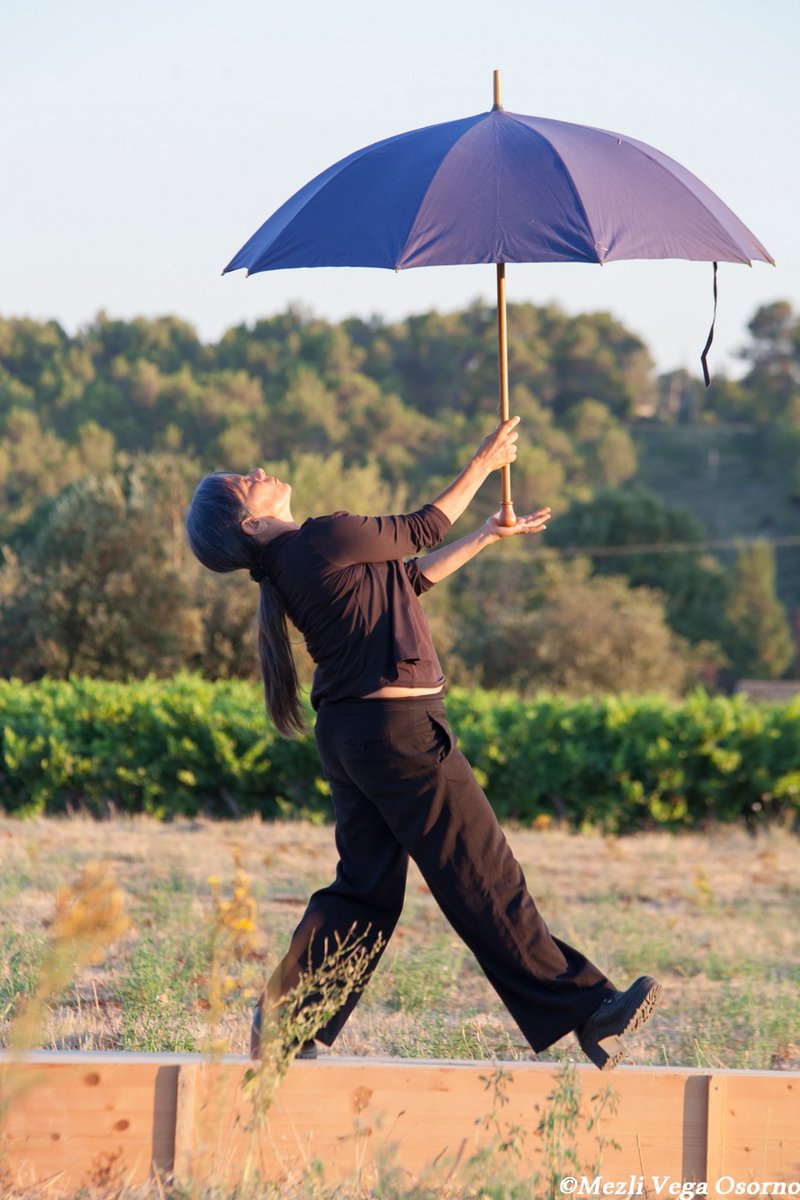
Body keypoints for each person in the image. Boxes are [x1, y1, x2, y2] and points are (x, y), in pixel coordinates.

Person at [184, 417, 662, 1071]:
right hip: (401, 736)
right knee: (483, 877)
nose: (260, 473)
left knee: (364, 891)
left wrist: (487, 535)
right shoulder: (322, 537)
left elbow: (406, 578)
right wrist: (483, 463)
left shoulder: (300, 563)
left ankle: (286, 1025)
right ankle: (585, 1010)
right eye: (246, 481)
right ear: (246, 523)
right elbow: (419, 528)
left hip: (354, 737)